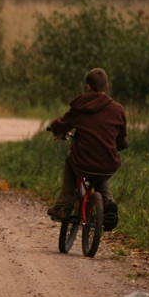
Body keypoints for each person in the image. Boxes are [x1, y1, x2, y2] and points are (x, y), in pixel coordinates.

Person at [47, 68, 128, 231]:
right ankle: (107, 202)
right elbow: (122, 141)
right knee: (101, 170)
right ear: (107, 86)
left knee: (71, 160)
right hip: (108, 165)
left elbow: (63, 123)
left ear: (88, 87)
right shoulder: (118, 109)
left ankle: (63, 205)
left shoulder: (80, 107)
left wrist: (54, 127)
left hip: (82, 162)